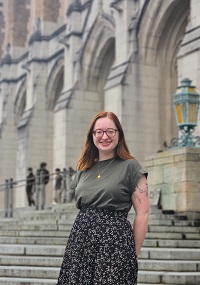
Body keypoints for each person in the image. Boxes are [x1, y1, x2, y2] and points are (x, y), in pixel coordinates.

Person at [57, 111, 149, 285]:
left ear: (118, 134)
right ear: (92, 135)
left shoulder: (131, 167)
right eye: (98, 132)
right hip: (81, 244)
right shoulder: (84, 168)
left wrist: (131, 253)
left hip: (114, 244)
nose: (104, 136)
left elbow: (142, 214)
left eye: (110, 131)